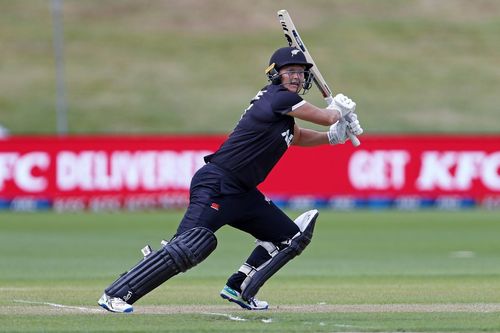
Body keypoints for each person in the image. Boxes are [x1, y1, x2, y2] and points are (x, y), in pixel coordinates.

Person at [98, 46, 363, 313]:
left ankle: (239, 288)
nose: (296, 77)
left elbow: (298, 136)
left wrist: (332, 137)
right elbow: (327, 116)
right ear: (276, 75)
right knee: (188, 247)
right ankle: (116, 294)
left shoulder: (282, 109)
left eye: (300, 72)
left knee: (289, 238)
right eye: (290, 71)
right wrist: (338, 112)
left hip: (243, 192)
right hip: (218, 185)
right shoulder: (278, 97)